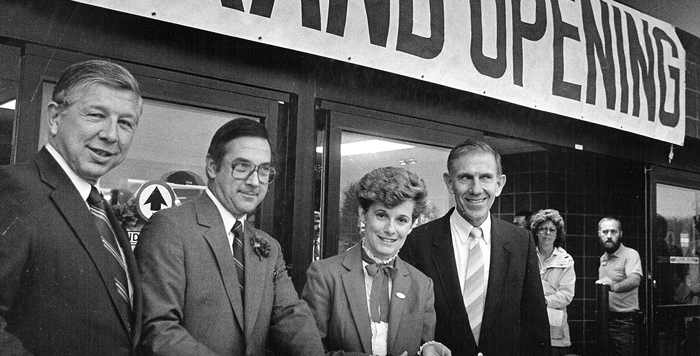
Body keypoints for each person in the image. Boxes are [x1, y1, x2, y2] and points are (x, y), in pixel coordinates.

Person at [135, 117, 325, 356]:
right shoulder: (170, 228)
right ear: (212, 167)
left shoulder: (268, 246)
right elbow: (156, 329)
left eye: (264, 170)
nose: (255, 182)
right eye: (242, 167)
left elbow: (290, 317)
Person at [0, 59, 144, 356]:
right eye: (96, 115)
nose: (111, 134)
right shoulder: (11, 190)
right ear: (54, 118)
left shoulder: (99, 208)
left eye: (126, 123)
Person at [400, 139, 550, 356]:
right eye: (465, 177)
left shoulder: (521, 241)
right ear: (449, 183)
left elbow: (536, 328)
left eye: (486, 177)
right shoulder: (417, 243)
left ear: (499, 184)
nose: (476, 189)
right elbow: (406, 328)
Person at [302, 167, 451, 356]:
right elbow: (307, 351)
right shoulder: (324, 275)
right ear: (363, 214)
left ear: (412, 225)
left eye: (401, 220)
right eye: (382, 215)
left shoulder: (422, 285)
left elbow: (421, 344)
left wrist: (426, 350)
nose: (390, 229)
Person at [596, 217, 643, 356]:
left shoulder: (630, 254)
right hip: (605, 320)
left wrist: (614, 287)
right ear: (599, 234)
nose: (609, 236)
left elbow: (635, 279)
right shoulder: (603, 258)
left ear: (620, 234)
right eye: (605, 232)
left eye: (613, 231)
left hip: (624, 322)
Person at [531, 209, 575, 356]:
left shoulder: (566, 260)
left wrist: (542, 300)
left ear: (557, 234)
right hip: (531, 327)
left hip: (555, 329)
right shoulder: (527, 255)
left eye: (552, 230)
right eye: (543, 229)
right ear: (536, 232)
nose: (547, 233)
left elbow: (566, 295)